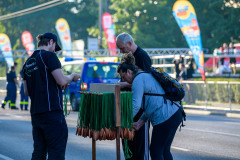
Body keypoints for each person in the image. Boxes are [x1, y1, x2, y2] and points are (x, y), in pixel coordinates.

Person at [22, 32, 80, 160]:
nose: (55, 50)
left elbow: (27, 91)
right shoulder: (49, 57)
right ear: (50, 42)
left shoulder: (27, 63)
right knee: (56, 152)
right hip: (52, 112)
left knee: (39, 152)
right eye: (55, 47)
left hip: (36, 114)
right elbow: (61, 80)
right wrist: (72, 76)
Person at [117, 53, 183, 160]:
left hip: (166, 117)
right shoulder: (146, 75)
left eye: (124, 77)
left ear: (129, 71)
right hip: (175, 113)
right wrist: (140, 123)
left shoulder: (137, 80)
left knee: (156, 151)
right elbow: (152, 105)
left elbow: (135, 106)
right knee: (164, 150)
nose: (124, 81)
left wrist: (121, 121)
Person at [116, 33, 151, 160]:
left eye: (122, 48)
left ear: (129, 44)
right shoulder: (126, 57)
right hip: (127, 106)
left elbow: (146, 83)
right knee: (128, 147)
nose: (121, 51)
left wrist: (123, 84)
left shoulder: (142, 57)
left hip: (140, 109)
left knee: (140, 148)